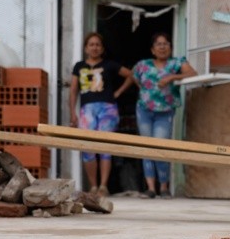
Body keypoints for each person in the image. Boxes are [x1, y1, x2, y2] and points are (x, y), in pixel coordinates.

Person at [131, 32, 197, 199]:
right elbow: (133, 77)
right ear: (152, 50)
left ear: (170, 47)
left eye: (165, 44)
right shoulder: (143, 65)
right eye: (158, 44)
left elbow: (193, 74)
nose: (162, 47)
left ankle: (164, 187)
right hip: (144, 110)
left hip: (165, 112)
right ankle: (151, 188)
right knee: (146, 147)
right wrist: (146, 92)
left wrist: (172, 77)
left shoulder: (177, 62)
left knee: (160, 147)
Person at [70, 32, 133, 197]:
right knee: (88, 148)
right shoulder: (79, 66)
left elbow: (131, 75)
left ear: (102, 48)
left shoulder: (109, 64)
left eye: (98, 44)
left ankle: (103, 186)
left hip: (108, 109)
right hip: (86, 110)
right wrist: (72, 113)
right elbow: (73, 91)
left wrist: (118, 93)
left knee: (105, 147)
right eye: (91, 44)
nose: (94, 47)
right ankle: (93, 186)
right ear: (85, 48)